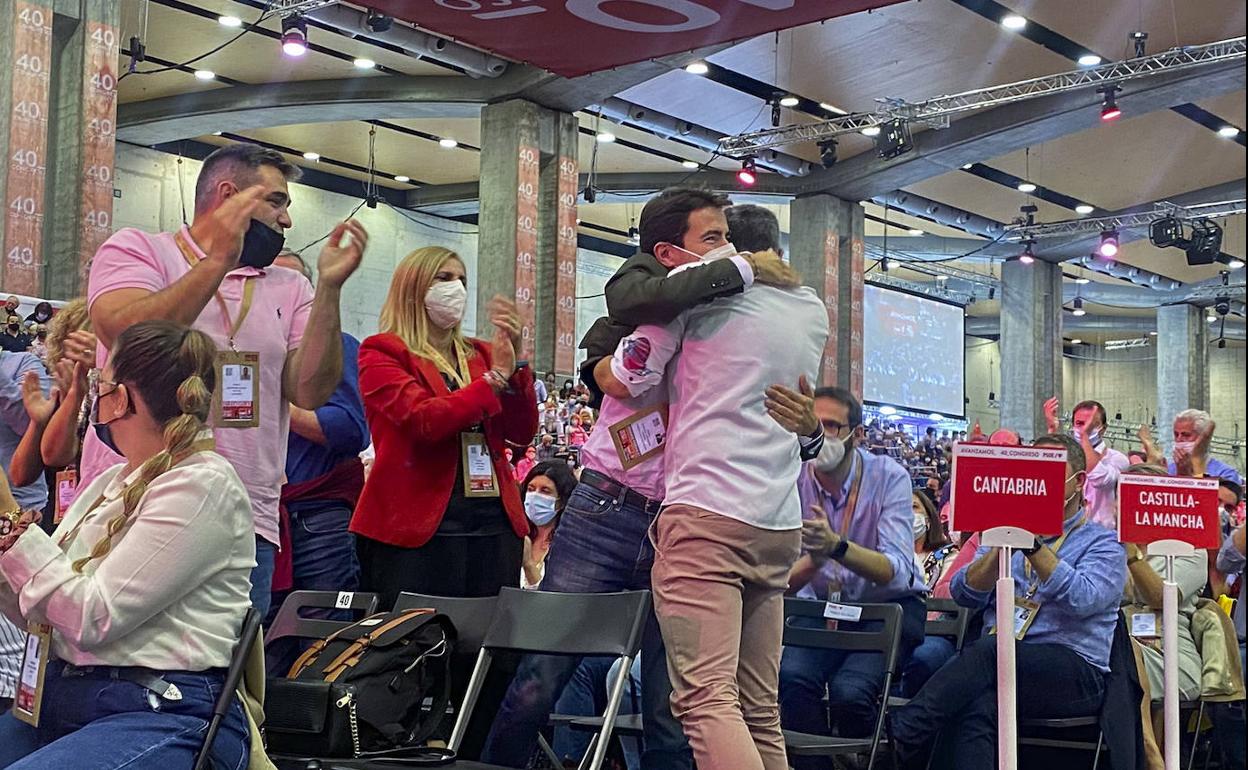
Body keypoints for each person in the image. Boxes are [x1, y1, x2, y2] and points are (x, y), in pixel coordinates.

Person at [483, 195, 813, 770]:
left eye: (729, 240)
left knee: (675, 708)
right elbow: (617, 369)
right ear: (668, 252)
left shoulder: (763, 315)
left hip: (693, 519)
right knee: (543, 675)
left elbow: (797, 411)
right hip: (610, 509)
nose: (725, 251)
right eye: (712, 239)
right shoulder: (658, 295)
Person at [84, 142, 367, 616]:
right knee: (125, 662)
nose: (287, 221)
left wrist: (331, 289)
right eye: (276, 202)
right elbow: (129, 336)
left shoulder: (289, 285)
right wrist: (217, 261)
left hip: (246, 516)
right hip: (137, 501)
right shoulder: (139, 250)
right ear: (228, 194)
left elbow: (309, 390)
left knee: (229, 671)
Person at [594, 201, 827, 770]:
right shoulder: (810, 307)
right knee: (758, 709)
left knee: (704, 701)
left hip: (707, 513)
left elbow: (628, 376)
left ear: (726, 252)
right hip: (776, 522)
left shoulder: (698, 297)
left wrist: (595, 362)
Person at [0, 320, 254, 768]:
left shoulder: (203, 484)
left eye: (100, 383)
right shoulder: (112, 481)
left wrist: (15, 529)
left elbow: (91, 617)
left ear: (119, 399)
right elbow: (40, 615)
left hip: (164, 710)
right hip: (70, 697)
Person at [891, 434, 1127, 770]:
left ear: (1079, 482)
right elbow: (963, 593)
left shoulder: (1103, 544)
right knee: (980, 701)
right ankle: (906, 733)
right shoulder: (1003, 528)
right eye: (1034, 474)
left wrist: (1032, 544)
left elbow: (1084, 599)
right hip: (1002, 667)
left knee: (992, 651)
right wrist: (1002, 548)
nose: (1040, 484)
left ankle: (905, 729)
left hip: (1073, 670)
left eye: (1051, 474)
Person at [351, 246, 537, 607]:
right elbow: (425, 421)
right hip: (416, 531)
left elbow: (521, 432)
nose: (458, 289)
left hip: (492, 525)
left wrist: (517, 368)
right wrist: (495, 379)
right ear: (414, 288)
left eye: (462, 280)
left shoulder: (483, 353)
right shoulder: (382, 352)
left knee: (487, 651)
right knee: (416, 646)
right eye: (445, 278)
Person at [779, 387, 928, 769]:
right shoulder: (792, 477)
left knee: (851, 692)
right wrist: (814, 562)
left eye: (831, 426)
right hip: (822, 609)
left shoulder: (888, 478)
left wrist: (837, 547)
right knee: (791, 679)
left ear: (857, 434)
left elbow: (896, 570)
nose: (820, 434)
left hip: (885, 608)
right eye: (812, 425)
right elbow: (780, 582)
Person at [264, 251, 370, 668]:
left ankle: (312, 726)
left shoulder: (337, 346)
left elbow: (349, 431)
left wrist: (279, 407)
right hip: (254, 515)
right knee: (259, 640)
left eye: (293, 284)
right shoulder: (238, 342)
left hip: (315, 517)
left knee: (321, 640)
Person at [1046, 396, 1130, 529]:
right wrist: (1052, 431)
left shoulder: (1117, 459)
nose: (1084, 428)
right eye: (1079, 424)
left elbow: (1099, 479)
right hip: (1068, 532)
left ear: (1103, 428)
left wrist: (1084, 435)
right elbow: (1046, 474)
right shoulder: (1068, 456)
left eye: (1091, 425)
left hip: (1102, 536)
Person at [1167, 408, 1241, 485]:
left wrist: (1186, 476)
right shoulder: (1167, 469)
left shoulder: (1225, 473)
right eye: (1176, 434)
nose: (1179, 439)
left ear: (1203, 439)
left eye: (1186, 435)